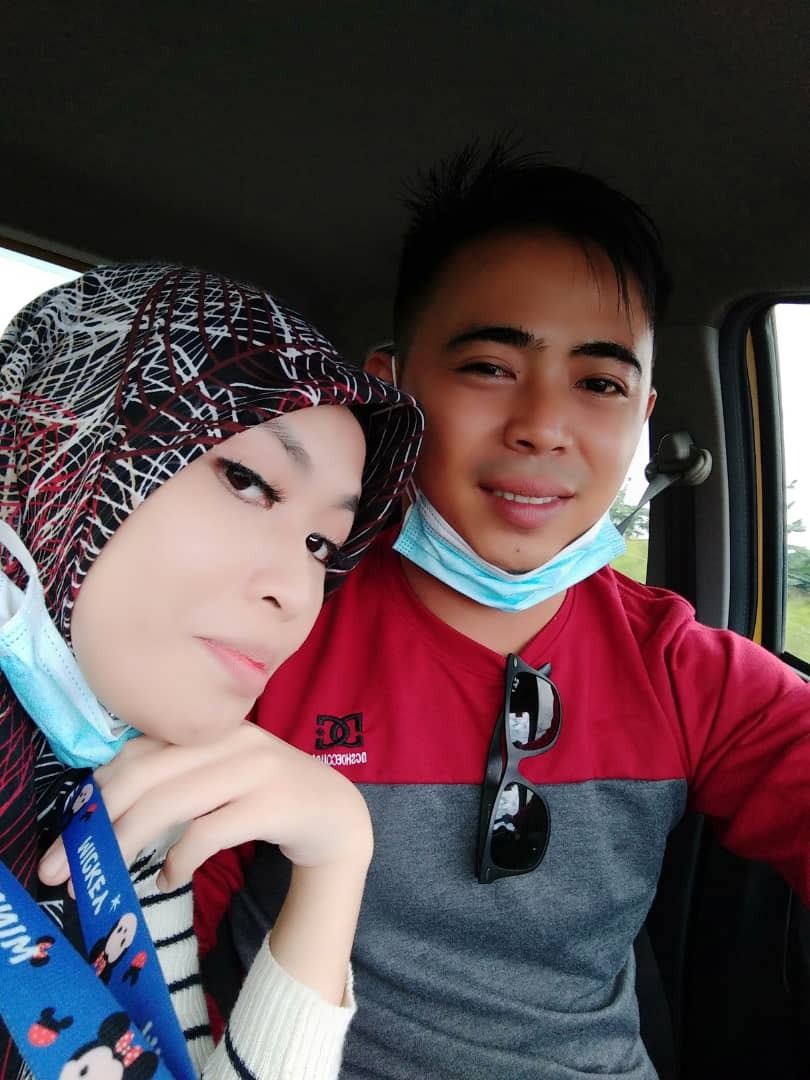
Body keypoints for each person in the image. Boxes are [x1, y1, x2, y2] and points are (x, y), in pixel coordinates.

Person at [193, 144, 810, 1079]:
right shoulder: (276, 628)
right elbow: (149, 952)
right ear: (394, 388)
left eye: (599, 384)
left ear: (643, 414)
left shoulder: (691, 673)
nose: (543, 426)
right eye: (489, 366)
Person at [0, 262, 423, 1080]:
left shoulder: (125, 796)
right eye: (248, 481)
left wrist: (337, 859)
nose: (296, 590)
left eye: (322, 545)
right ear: (58, 445)